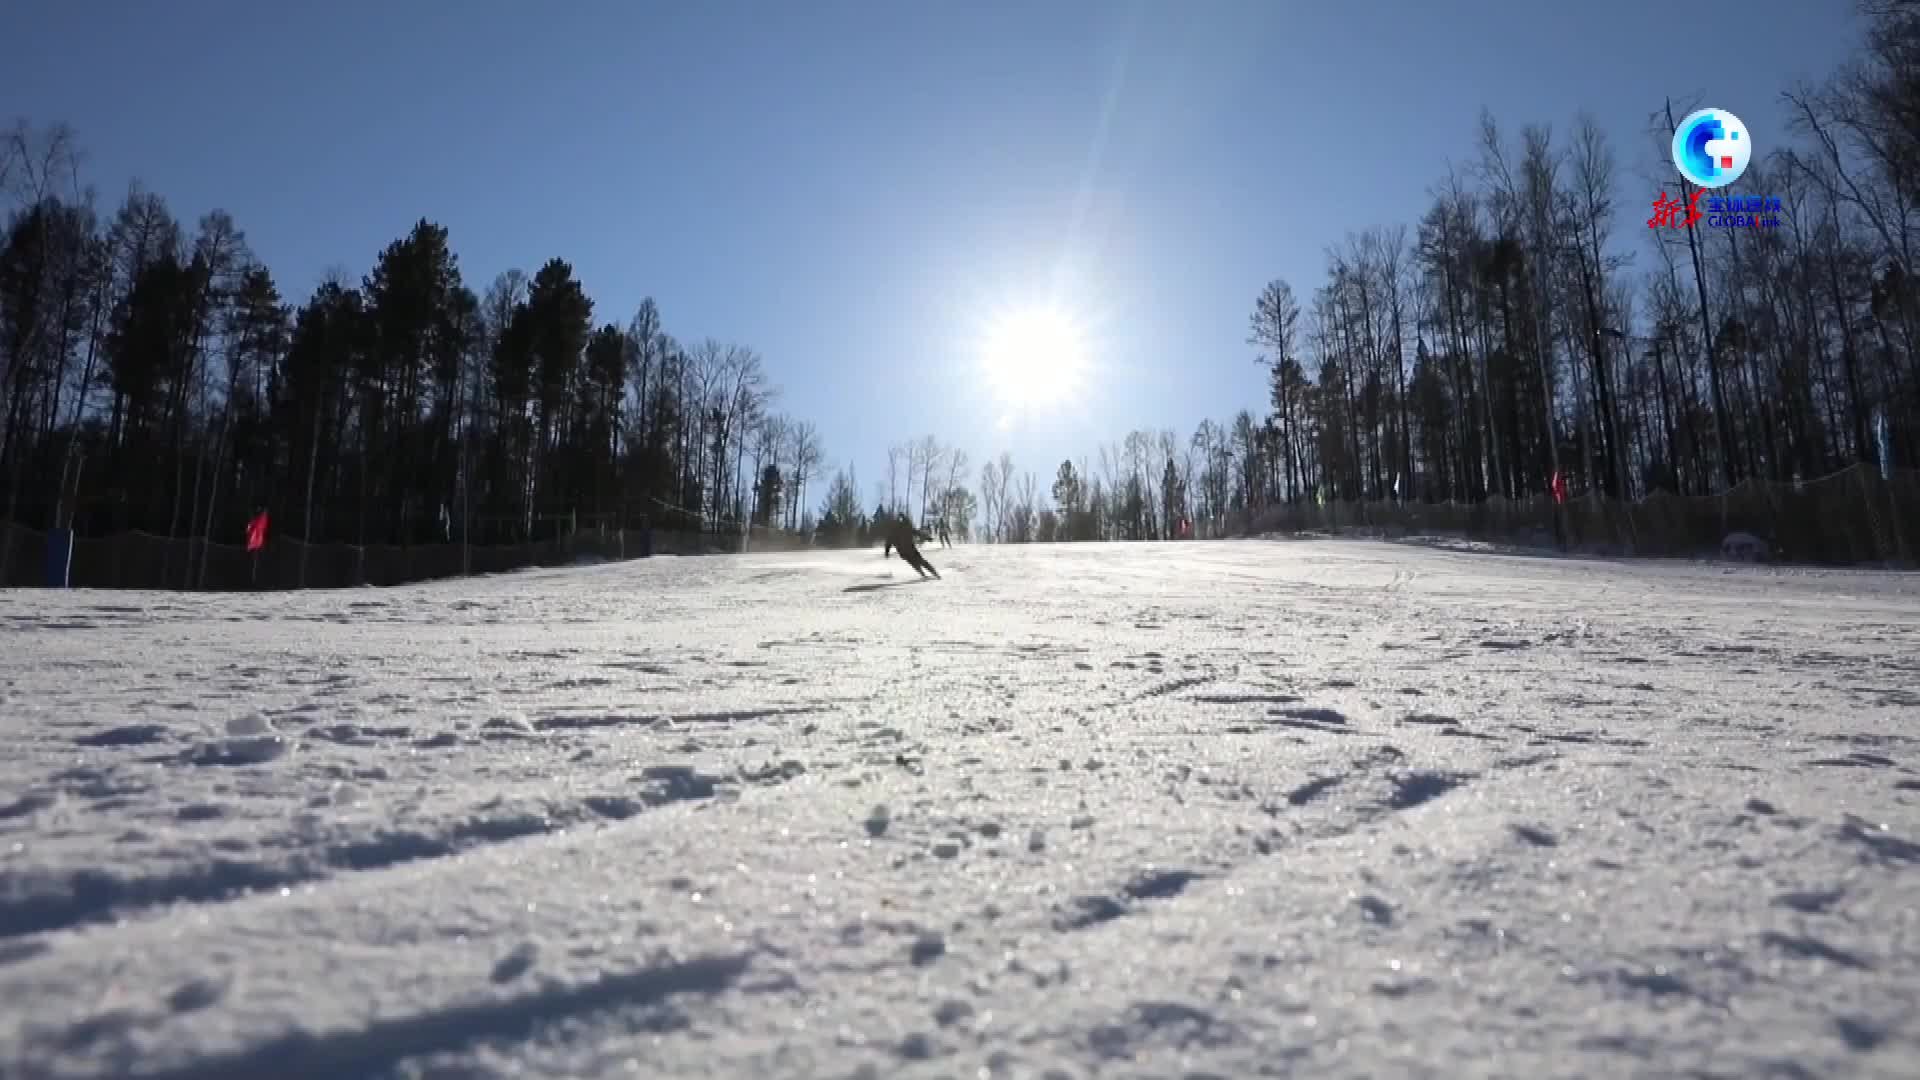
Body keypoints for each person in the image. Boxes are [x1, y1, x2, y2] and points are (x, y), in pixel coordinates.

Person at [883, 514, 940, 579]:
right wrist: (927, 538)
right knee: (919, 561)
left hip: (905, 551)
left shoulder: (898, 530)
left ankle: (929, 574)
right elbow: (917, 532)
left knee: (916, 562)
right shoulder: (904, 528)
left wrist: (887, 552)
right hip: (908, 550)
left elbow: (889, 542)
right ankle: (930, 574)